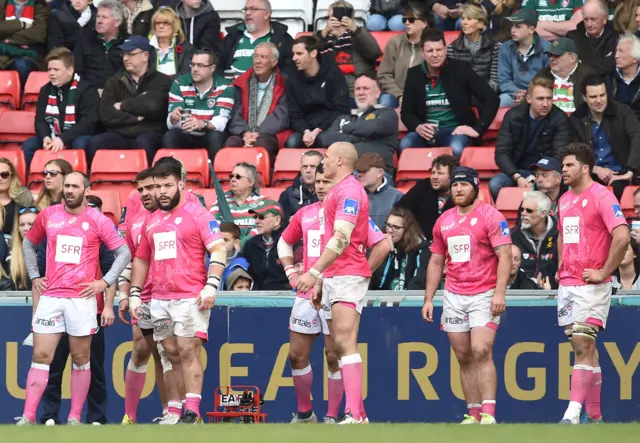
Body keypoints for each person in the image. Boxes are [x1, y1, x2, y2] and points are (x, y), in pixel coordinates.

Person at [278, 163, 390, 424]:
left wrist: (362, 271)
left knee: (334, 353)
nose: (320, 186)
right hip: (308, 290)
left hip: (337, 283)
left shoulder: (347, 211)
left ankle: (332, 415)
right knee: (296, 354)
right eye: (317, 182)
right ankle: (306, 413)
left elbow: (383, 244)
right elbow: (284, 241)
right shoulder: (304, 214)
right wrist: (291, 274)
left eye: (325, 182)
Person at [16, 172, 130, 425]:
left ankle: (75, 417)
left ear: (86, 190)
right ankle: (28, 416)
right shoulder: (48, 215)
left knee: (81, 358)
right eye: (66, 185)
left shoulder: (98, 220)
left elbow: (123, 252)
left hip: (81, 299)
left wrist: (104, 282)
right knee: (41, 357)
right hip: (52, 296)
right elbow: (28, 243)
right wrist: (35, 275)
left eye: (75, 186)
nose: (69, 190)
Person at [129, 160, 226, 424]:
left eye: (167, 185)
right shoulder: (151, 221)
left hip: (191, 295)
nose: (161, 191)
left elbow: (219, 249)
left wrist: (211, 285)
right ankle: (174, 410)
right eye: (157, 186)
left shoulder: (199, 215)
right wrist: (135, 293)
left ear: (181, 184)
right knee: (168, 353)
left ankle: (192, 410)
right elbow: (141, 259)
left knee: (187, 350)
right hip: (160, 298)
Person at [422, 166, 512, 424]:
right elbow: (436, 261)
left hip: (484, 293)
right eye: (455, 185)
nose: (458, 189)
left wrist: (499, 293)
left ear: (475, 187)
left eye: (464, 184)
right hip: (453, 294)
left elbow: (505, 255)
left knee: (481, 349)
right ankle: (473, 414)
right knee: (462, 356)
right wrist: (429, 298)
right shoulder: (444, 220)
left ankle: (489, 414)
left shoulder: (491, 216)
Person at [296, 142, 372, 424]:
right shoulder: (339, 191)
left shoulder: (350, 191)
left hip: (348, 272)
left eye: (326, 157)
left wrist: (314, 272)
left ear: (339, 160)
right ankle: (358, 413)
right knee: (341, 344)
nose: (322, 162)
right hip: (336, 273)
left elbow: (340, 238)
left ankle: (355, 413)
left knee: (345, 341)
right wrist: (322, 279)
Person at [556, 142, 629, 424]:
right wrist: (562, 265)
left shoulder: (602, 196)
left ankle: (572, 414)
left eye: (569, 165)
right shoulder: (563, 200)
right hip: (568, 283)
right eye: (563, 165)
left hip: (592, 284)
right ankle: (595, 416)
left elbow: (622, 236)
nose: (564, 169)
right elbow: (563, 235)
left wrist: (603, 272)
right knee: (586, 348)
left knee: (583, 346)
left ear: (585, 168)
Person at [38, 191, 119, 426]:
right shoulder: (55, 233)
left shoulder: (101, 239)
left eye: (93, 208)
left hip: (89, 309)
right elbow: (42, 269)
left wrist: (108, 307)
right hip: (57, 306)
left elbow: (110, 273)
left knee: (92, 365)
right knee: (53, 365)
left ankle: (95, 417)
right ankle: (49, 416)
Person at [118, 168, 183, 425]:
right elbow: (131, 259)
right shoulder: (135, 219)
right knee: (145, 350)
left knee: (170, 352)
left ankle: (173, 410)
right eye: (141, 189)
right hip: (143, 295)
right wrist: (126, 293)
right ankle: (130, 415)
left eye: (150, 188)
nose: (145, 193)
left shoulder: (177, 214)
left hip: (170, 293)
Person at [400, 28, 499, 156]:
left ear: (445, 50)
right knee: (405, 145)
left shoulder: (461, 69)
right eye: (430, 51)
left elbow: (492, 99)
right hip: (426, 133)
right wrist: (418, 126)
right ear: (422, 53)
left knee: (456, 148)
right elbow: (406, 113)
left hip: (455, 132)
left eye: (439, 50)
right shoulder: (414, 74)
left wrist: (478, 129)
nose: (435, 55)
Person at [88, 35, 173, 166]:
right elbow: (106, 114)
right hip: (119, 133)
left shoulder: (162, 81)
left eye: (131, 54)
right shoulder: (114, 81)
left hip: (149, 133)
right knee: (97, 142)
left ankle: (149, 179)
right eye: (124, 54)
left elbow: (152, 106)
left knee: (144, 142)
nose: (126, 58)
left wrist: (122, 105)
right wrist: (135, 118)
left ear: (145, 56)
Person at [490, 75, 572, 201]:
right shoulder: (513, 116)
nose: (545, 104)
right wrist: (517, 177)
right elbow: (502, 152)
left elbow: (559, 155)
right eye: (540, 99)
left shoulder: (560, 118)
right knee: (496, 184)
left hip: (547, 171)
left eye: (549, 98)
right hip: (518, 171)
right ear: (529, 99)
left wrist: (541, 175)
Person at [21, 47, 98, 167]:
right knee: (28, 145)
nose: (51, 73)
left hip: (76, 135)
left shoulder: (87, 89)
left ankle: (77, 179)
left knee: (80, 143)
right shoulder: (45, 90)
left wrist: (63, 139)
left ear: (70, 70)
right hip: (53, 135)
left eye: (56, 69)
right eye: (49, 69)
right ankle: (37, 179)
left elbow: (88, 122)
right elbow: (40, 120)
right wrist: (45, 137)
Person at [569, 74, 640, 200]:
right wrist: (594, 168)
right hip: (590, 173)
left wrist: (631, 171)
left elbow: (637, 136)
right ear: (584, 98)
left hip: (620, 173)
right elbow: (573, 151)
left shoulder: (622, 112)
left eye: (602, 95)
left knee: (614, 194)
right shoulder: (577, 118)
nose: (599, 100)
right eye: (593, 97)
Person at [164, 49, 234, 161]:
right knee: (170, 136)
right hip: (187, 134)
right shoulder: (180, 83)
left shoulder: (225, 87)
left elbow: (220, 123)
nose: (195, 69)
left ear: (212, 68)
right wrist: (173, 118)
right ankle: (173, 175)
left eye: (200, 65)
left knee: (215, 136)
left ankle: (213, 177)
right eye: (193, 64)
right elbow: (171, 125)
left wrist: (202, 124)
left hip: (209, 135)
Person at [225, 42, 289, 163]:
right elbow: (235, 111)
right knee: (231, 144)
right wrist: (245, 132)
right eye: (256, 56)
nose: (258, 61)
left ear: (274, 62)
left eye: (263, 57)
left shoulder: (284, 83)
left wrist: (258, 133)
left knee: (262, 145)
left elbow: (282, 114)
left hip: (270, 133)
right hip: (244, 132)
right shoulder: (241, 82)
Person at [323, 75, 399, 175]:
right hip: (344, 172)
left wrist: (345, 128)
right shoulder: (344, 118)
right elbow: (326, 138)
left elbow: (374, 128)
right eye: (357, 89)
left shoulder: (387, 113)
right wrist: (355, 138)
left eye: (366, 88)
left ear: (377, 93)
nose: (361, 93)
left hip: (375, 172)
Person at [284, 35, 351, 149]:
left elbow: (341, 109)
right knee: (292, 142)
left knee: (325, 140)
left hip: (330, 126)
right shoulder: (292, 78)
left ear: (313, 53)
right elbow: (294, 113)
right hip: (306, 130)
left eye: (299, 54)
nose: (294, 58)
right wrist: (305, 131)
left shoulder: (333, 72)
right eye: (293, 54)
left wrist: (318, 130)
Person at [316, 0, 382, 98]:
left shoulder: (359, 35)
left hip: (355, 90)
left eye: (341, 16)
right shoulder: (322, 37)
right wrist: (324, 32)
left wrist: (355, 30)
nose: (336, 19)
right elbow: (308, 54)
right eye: (331, 16)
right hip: (327, 89)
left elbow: (374, 53)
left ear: (351, 18)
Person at [218, 0, 294, 76]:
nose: (247, 13)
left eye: (253, 9)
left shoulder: (281, 38)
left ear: (267, 14)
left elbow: (289, 71)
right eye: (245, 9)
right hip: (232, 84)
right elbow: (218, 65)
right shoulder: (233, 36)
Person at [377, 2, 430, 108]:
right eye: (404, 20)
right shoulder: (395, 42)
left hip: (423, 94)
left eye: (411, 20)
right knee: (385, 101)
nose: (407, 23)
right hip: (395, 94)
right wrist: (399, 95)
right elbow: (384, 75)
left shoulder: (431, 44)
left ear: (424, 23)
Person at [395, 154, 458, 240]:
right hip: (423, 243)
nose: (434, 177)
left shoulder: (460, 192)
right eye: (433, 173)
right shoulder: (423, 187)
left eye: (440, 173)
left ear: (452, 176)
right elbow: (400, 210)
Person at [498, 10, 551, 107]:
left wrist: (530, 95)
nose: (513, 30)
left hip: (540, 95)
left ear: (531, 29)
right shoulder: (505, 48)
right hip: (514, 94)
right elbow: (504, 80)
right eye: (512, 26)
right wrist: (518, 93)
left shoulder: (547, 48)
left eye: (518, 26)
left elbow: (549, 80)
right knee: (501, 101)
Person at [74, 0, 128, 92]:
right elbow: (78, 71)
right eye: (98, 16)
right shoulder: (84, 38)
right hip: (89, 94)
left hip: (117, 94)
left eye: (104, 17)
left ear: (117, 22)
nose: (99, 21)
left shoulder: (127, 43)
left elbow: (129, 75)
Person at [371, 207, 429, 291]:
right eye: (388, 225)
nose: (390, 230)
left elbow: (418, 282)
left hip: (409, 301)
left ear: (407, 229)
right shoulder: (383, 245)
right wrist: (388, 251)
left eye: (395, 227)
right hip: (382, 299)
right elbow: (377, 283)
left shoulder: (420, 249)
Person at [209, 162, 266, 246]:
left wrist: (241, 244)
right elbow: (212, 226)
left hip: (253, 250)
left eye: (238, 177)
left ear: (251, 182)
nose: (233, 179)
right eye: (231, 176)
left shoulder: (262, 203)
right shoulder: (220, 203)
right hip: (226, 251)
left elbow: (263, 229)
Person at [510, 191, 559, 287]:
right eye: (521, 209)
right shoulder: (512, 236)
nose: (523, 214)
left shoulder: (559, 236)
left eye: (529, 210)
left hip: (553, 294)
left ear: (543, 214)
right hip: (520, 294)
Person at [446, 3, 499, 91]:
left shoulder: (493, 47)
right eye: (463, 19)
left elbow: (494, 80)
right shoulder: (452, 47)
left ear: (481, 24)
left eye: (469, 19)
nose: (464, 22)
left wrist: (483, 93)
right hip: (461, 95)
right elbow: (451, 79)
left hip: (485, 94)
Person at [0, 0, 50, 87]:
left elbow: (38, 34)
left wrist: (8, 38)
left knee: (21, 65)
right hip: (3, 53)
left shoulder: (40, 5)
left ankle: (21, 97)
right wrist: (21, 24)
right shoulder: (3, 3)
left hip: (30, 53)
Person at [538, 37, 594, 115]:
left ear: (573, 58)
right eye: (550, 55)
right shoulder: (543, 75)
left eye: (557, 55)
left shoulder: (588, 75)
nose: (551, 59)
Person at [243, 200, 289, 291]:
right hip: (257, 297)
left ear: (277, 220)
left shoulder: (291, 241)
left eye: (261, 217)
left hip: (286, 296)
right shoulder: (251, 244)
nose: (256, 221)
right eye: (255, 217)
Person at [567, 0, 617, 77]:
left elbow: (610, 66)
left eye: (593, 19)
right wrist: (601, 62)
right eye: (586, 19)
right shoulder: (572, 38)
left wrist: (582, 63)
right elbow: (568, 66)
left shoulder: (615, 37)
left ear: (604, 19)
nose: (589, 24)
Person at [355, 152, 403, 230]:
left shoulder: (397, 197)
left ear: (379, 173)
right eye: (358, 171)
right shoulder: (351, 194)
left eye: (364, 171)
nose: (359, 174)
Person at [148, 7, 195, 78]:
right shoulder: (147, 47)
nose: (161, 26)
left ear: (174, 26)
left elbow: (186, 73)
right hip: (153, 88)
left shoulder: (187, 48)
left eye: (165, 23)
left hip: (177, 87)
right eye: (157, 23)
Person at [278, 150, 322, 223]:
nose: (308, 170)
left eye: (313, 167)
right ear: (300, 169)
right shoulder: (287, 195)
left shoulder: (330, 193)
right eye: (305, 167)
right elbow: (280, 225)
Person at [0, 158, 35, 237]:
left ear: (12, 176)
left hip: (18, 246)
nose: (0, 178)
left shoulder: (24, 198)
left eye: (4, 175)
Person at [9, 207, 39, 290]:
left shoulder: (47, 251)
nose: (26, 228)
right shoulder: (10, 254)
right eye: (22, 225)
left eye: (30, 224)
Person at [612, 34, 640, 121]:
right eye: (616, 51)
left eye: (621, 51)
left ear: (635, 58)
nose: (616, 55)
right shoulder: (608, 78)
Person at [219, 222, 250, 291]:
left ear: (236, 242)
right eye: (218, 239)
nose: (221, 243)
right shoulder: (207, 261)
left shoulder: (242, 264)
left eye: (226, 240)